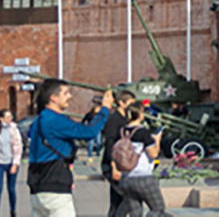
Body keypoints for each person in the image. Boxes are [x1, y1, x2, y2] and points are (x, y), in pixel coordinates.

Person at [28, 78, 113, 217]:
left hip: (37, 189)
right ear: (53, 98)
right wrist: (105, 109)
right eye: (66, 93)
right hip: (55, 189)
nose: (70, 96)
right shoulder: (54, 120)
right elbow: (87, 132)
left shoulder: (38, 120)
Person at [112, 102, 168, 217]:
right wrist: (157, 140)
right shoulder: (143, 133)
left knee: (135, 213)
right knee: (158, 209)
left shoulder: (121, 132)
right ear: (141, 115)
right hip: (144, 177)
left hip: (126, 178)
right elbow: (153, 154)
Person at [99, 89, 137, 217]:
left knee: (118, 201)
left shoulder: (126, 119)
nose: (133, 107)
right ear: (121, 102)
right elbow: (110, 144)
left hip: (123, 165)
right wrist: (114, 167)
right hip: (113, 165)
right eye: (130, 103)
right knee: (124, 200)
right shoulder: (114, 120)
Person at [0, 109, 23, 217]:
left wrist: (15, 164)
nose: (10, 119)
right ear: (1, 119)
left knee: (11, 188)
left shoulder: (14, 129)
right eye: (7, 117)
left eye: (11, 117)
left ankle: (13, 211)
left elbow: (18, 147)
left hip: (11, 162)